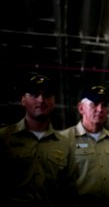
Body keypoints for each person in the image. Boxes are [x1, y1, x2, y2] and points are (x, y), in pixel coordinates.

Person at [0, 74, 76, 206]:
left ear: (54, 101)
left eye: (47, 95)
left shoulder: (65, 144)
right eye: (34, 94)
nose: (41, 100)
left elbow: (68, 191)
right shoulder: (4, 137)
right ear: (23, 100)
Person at [61, 85, 109, 206]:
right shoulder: (64, 139)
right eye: (94, 104)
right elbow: (58, 183)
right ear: (81, 108)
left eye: (104, 105)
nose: (100, 109)